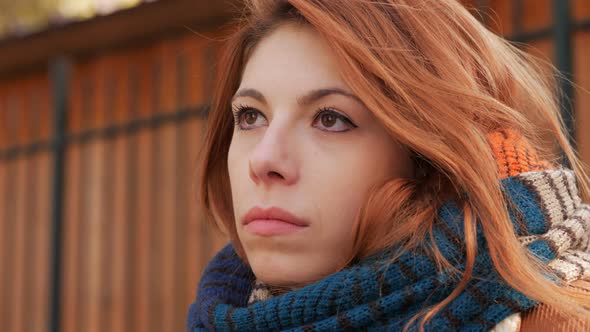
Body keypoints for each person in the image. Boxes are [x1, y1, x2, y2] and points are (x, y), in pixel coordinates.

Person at [187, 0, 590, 330]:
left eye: (330, 118)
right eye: (251, 116)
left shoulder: (555, 321)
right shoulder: (227, 308)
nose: (263, 160)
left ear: (428, 158)